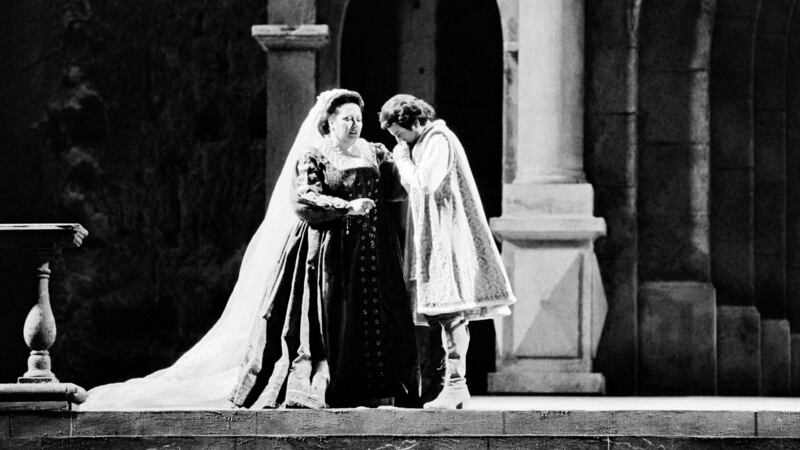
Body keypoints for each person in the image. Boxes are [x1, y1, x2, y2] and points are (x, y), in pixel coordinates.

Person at [81, 89, 419, 410]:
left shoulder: (374, 152)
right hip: (328, 251)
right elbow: (304, 199)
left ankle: (376, 389)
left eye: (358, 118)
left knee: (375, 312)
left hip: (374, 251)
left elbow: (397, 191)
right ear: (329, 122)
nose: (355, 124)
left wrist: (405, 158)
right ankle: (331, 386)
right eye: (347, 118)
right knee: (330, 314)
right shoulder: (314, 156)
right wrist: (346, 207)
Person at [379, 94, 517, 410]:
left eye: (400, 133)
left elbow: (426, 182)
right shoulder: (423, 143)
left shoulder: (438, 139)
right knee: (445, 315)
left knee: (452, 312)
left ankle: (456, 386)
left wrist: (401, 160)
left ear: (414, 121)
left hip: (448, 238)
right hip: (435, 236)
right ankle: (453, 386)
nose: (399, 141)